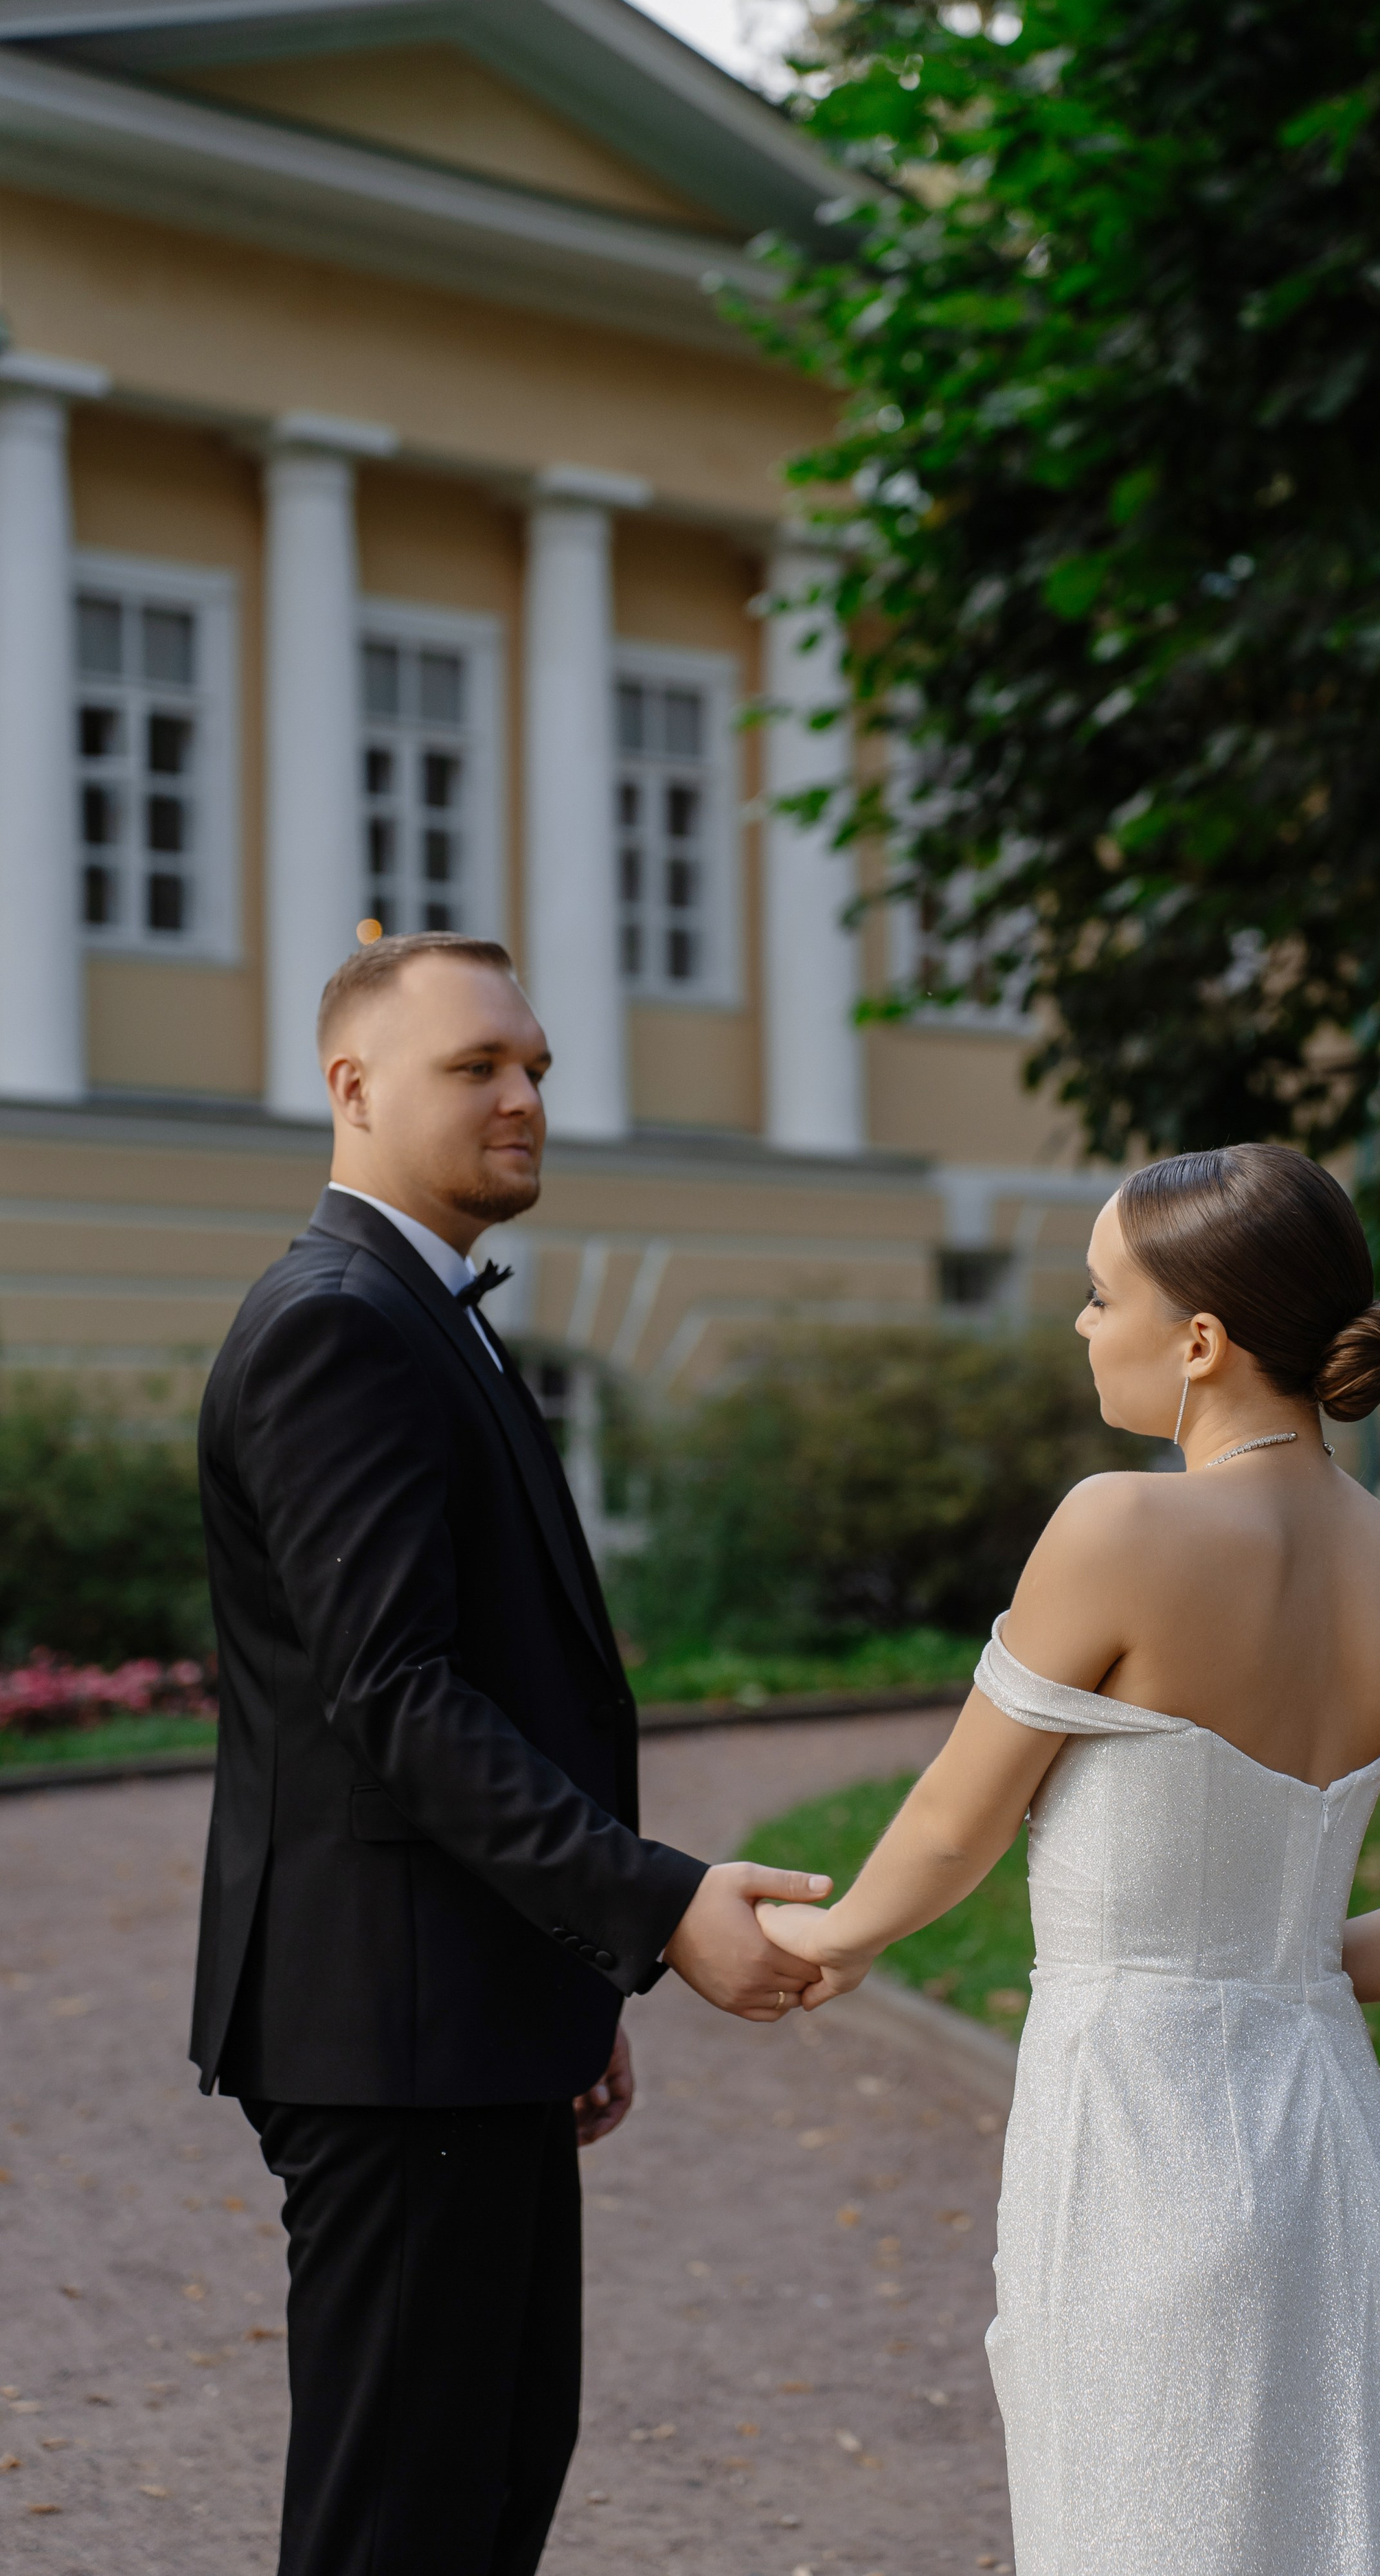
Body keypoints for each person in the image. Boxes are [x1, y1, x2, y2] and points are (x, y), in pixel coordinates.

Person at [759, 1143, 1380, 2576]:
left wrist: (830, 1938)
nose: (1080, 1324)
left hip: (1134, 2125)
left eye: (1095, 1293)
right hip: (1329, 2140)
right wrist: (1287, 1967)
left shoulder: (1115, 1525)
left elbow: (951, 1820)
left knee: (1138, 2517)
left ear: (1196, 1342)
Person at [190, 930, 828, 2576]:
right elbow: (397, 1697)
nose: (525, 1096)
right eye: (478, 1067)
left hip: (461, 2017)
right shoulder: (340, 1323)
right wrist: (660, 1906)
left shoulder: (421, 1310)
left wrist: (565, 1982)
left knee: (481, 2491)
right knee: (399, 2525)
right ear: (351, 1087)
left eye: (534, 1066)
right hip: (389, 2034)